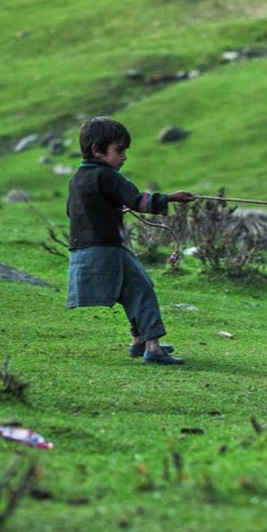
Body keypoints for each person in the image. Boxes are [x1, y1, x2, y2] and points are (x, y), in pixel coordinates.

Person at [66, 117, 195, 365]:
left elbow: (72, 212)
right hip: (108, 249)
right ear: (97, 150)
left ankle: (139, 342)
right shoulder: (109, 176)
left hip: (84, 249)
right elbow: (137, 200)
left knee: (132, 291)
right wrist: (170, 198)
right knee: (142, 289)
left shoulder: (77, 178)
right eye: (119, 150)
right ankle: (153, 349)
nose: (124, 157)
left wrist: (109, 209)